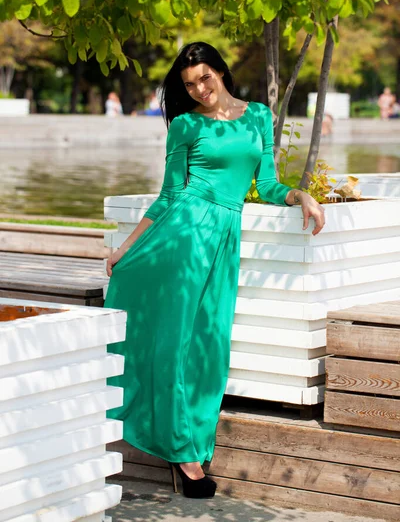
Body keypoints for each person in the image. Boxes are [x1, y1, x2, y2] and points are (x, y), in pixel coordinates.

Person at [104, 42, 325, 499]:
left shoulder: (258, 116)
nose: (199, 89)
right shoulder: (184, 126)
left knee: (209, 342)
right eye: (189, 84)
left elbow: (264, 184)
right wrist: (125, 248)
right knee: (175, 340)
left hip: (223, 236)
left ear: (221, 72)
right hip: (181, 235)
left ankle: (191, 438)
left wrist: (301, 195)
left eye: (205, 78)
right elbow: (167, 196)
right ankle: (183, 453)